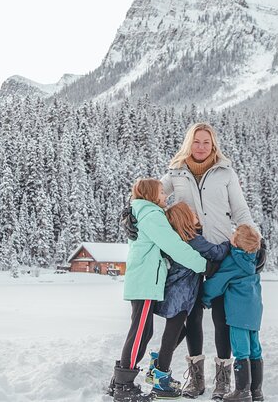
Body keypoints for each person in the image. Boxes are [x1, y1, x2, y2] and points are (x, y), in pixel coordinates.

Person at [121, 122, 265, 399]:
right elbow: (149, 197)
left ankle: (223, 380)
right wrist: (129, 214)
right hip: (189, 255)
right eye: (196, 141)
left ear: (213, 145)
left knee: (223, 317)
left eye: (206, 142)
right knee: (193, 316)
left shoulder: (225, 173)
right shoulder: (175, 172)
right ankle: (196, 379)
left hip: (222, 252)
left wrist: (256, 240)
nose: (201, 147)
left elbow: (240, 210)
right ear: (189, 143)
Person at [110, 178, 208, 402]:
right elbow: (173, 245)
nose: (165, 195)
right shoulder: (152, 215)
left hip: (144, 282)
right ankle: (124, 385)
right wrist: (203, 265)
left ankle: (119, 381)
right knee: (139, 334)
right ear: (151, 195)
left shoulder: (143, 212)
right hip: (145, 283)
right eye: (161, 192)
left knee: (143, 332)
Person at [146, 202, 231, 398]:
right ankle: (160, 377)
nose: (196, 214)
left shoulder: (174, 239)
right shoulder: (193, 239)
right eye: (191, 213)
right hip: (183, 296)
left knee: (181, 330)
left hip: (173, 292)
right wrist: (231, 241)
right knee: (173, 333)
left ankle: (158, 365)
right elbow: (216, 252)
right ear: (185, 219)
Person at [201, 224, 264, 402]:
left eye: (235, 234)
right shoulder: (254, 259)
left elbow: (217, 283)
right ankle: (256, 391)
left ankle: (242, 391)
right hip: (254, 312)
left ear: (236, 242)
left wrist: (203, 297)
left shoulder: (234, 261)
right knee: (255, 349)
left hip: (237, 314)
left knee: (240, 350)